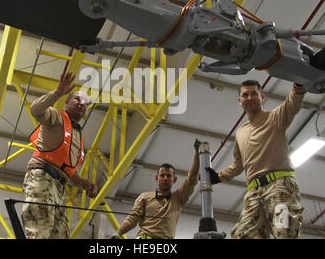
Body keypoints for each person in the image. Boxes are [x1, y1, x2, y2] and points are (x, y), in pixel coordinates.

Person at [207, 80, 306, 239]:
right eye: (245, 95)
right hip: (253, 192)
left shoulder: (276, 118)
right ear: (240, 101)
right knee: (241, 235)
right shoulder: (240, 133)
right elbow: (238, 165)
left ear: (262, 97)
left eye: (254, 93)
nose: (249, 97)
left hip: (280, 187)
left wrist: (298, 86)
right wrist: (218, 176)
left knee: (284, 233)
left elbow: (292, 104)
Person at [21, 71, 97, 239]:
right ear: (67, 102)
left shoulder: (78, 137)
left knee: (60, 236)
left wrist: (85, 184)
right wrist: (57, 93)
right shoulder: (57, 117)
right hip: (43, 177)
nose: (82, 104)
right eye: (78, 99)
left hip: (59, 188)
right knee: (40, 229)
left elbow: (69, 172)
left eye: (86, 103)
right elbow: (35, 109)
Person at [110, 140, 200, 239]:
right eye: (162, 175)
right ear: (157, 178)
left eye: (169, 176)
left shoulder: (179, 197)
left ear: (174, 179)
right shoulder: (145, 196)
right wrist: (118, 233)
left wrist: (197, 153)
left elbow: (192, 178)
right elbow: (133, 218)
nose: (165, 178)